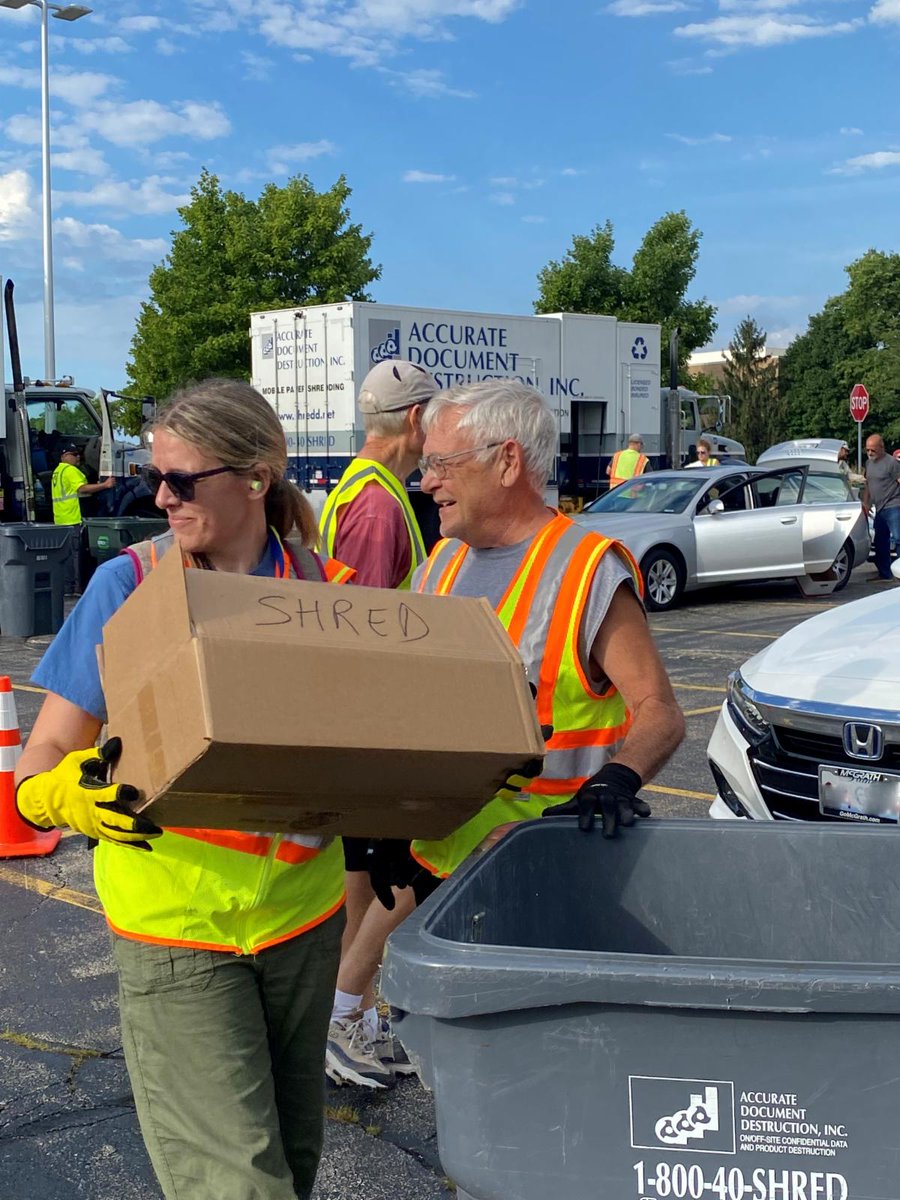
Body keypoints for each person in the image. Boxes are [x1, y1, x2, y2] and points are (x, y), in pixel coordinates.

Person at [15, 380, 352, 1200]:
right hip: (177, 932)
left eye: (181, 481)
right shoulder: (127, 588)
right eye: (153, 478)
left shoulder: (329, 593)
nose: (157, 496)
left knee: (292, 1166)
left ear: (255, 477)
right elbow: (42, 757)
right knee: (238, 1187)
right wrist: (66, 797)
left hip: (301, 926)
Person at [369, 379, 685, 899]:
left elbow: (660, 709)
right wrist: (389, 819)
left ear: (507, 461)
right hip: (442, 869)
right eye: (427, 466)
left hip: (550, 876)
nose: (427, 484)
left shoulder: (587, 569)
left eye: (443, 464)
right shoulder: (437, 567)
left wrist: (617, 779)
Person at [318, 359, 437, 1090]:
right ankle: (343, 1021)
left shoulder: (358, 490)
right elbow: (358, 625)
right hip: (375, 725)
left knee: (365, 886)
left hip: (361, 724)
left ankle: (354, 1017)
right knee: (393, 879)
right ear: (417, 420)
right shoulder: (380, 506)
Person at [51, 444, 115, 594]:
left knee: (66, 556)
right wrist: (105, 485)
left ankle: (68, 588)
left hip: (61, 519)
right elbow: (82, 489)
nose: (78, 457)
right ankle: (77, 588)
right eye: (74, 454)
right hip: (73, 518)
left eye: (78, 454)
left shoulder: (57, 471)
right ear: (64, 456)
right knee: (76, 556)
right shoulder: (70, 470)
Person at [861, 433, 900, 581]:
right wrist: (866, 503)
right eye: (868, 450)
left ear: (881, 448)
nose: (870, 453)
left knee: (898, 539)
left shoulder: (892, 463)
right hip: (880, 508)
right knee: (880, 541)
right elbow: (868, 485)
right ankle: (885, 573)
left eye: (873, 450)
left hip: (894, 505)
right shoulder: (869, 463)